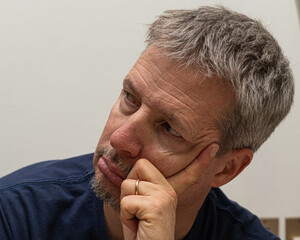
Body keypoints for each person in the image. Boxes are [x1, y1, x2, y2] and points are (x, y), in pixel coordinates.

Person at [0, 6, 294, 240]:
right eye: (130, 98)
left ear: (227, 167)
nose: (119, 139)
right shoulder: (16, 215)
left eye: (169, 128)